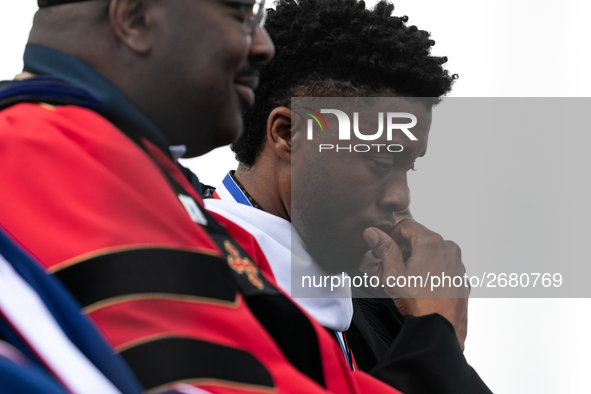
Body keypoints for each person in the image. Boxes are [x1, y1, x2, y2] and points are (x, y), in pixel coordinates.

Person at [0, 1, 412, 393]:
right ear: (135, 18)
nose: (263, 45)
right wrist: (434, 338)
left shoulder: (158, 182)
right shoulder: (42, 155)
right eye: (241, 13)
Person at [204, 0, 492, 393]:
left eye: (409, 166)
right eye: (380, 159)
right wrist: (437, 336)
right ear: (289, 135)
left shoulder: (383, 303)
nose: (400, 197)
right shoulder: (193, 267)